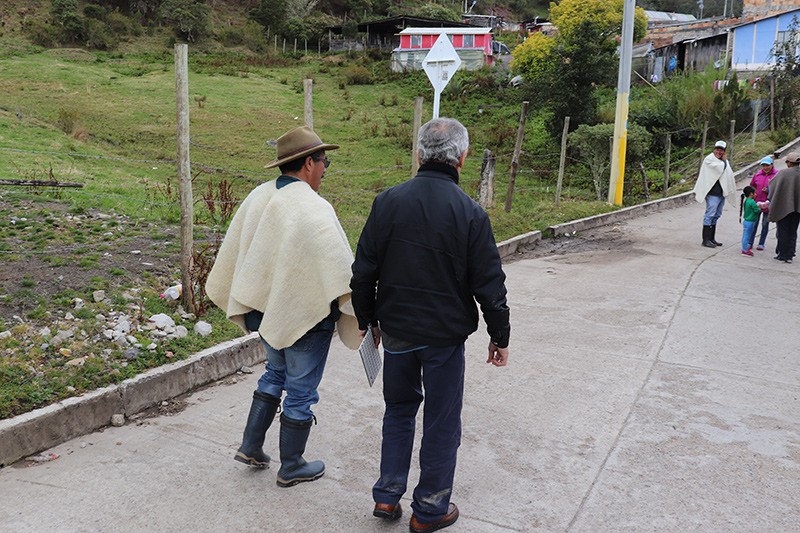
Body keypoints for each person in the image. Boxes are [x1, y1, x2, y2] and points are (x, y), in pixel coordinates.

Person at [350, 117, 511, 533]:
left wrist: (368, 320)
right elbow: (489, 283)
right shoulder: (470, 213)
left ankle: (387, 495)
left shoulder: (387, 202)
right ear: (463, 158)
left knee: (398, 410)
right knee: (442, 419)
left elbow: (363, 270)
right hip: (443, 339)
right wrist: (499, 335)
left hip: (397, 332)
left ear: (419, 155)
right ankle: (430, 509)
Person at [205, 126, 360, 487]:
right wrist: (361, 307)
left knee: (275, 374)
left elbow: (243, 252)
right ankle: (291, 465)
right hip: (308, 320)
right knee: (301, 391)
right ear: (308, 163)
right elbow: (340, 270)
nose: (324, 170)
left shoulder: (259, 196)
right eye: (324, 162)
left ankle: (251, 446)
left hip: (265, 313)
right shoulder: (314, 207)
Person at [693, 140, 737, 248]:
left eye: (721, 150)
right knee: (710, 215)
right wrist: (724, 162)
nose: (719, 152)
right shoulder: (709, 160)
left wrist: (725, 162)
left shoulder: (724, 162)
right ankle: (705, 240)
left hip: (721, 193)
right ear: (714, 149)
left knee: (716, 215)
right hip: (712, 193)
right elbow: (719, 169)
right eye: (717, 149)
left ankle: (712, 238)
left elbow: (728, 174)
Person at [768, 151, 800, 263]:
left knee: (783, 231)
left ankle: (782, 254)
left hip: (784, 207)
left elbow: (772, 185)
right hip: (797, 208)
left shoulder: (783, 173)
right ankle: (790, 254)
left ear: (789, 162)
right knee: (793, 231)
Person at [749, 156, 778, 250]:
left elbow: (779, 188)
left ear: (772, 165)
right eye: (763, 165)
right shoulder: (757, 175)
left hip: (768, 204)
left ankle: (761, 243)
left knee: (765, 224)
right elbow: (752, 186)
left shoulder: (777, 175)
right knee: (754, 224)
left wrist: (769, 190)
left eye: (767, 165)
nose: (765, 167)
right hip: (757, 203)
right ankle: (750, 242)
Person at [739, 186, 759, 256]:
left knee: (745, 235)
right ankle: (745, 250)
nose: (756, 194)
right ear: (751, 194)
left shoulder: (746, 201)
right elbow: (757, 210)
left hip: (746, 220)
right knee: (747, 236)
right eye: (755, 193)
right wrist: (759, 207)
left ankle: (744, 248)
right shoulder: (752, 202)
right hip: (750, 221)